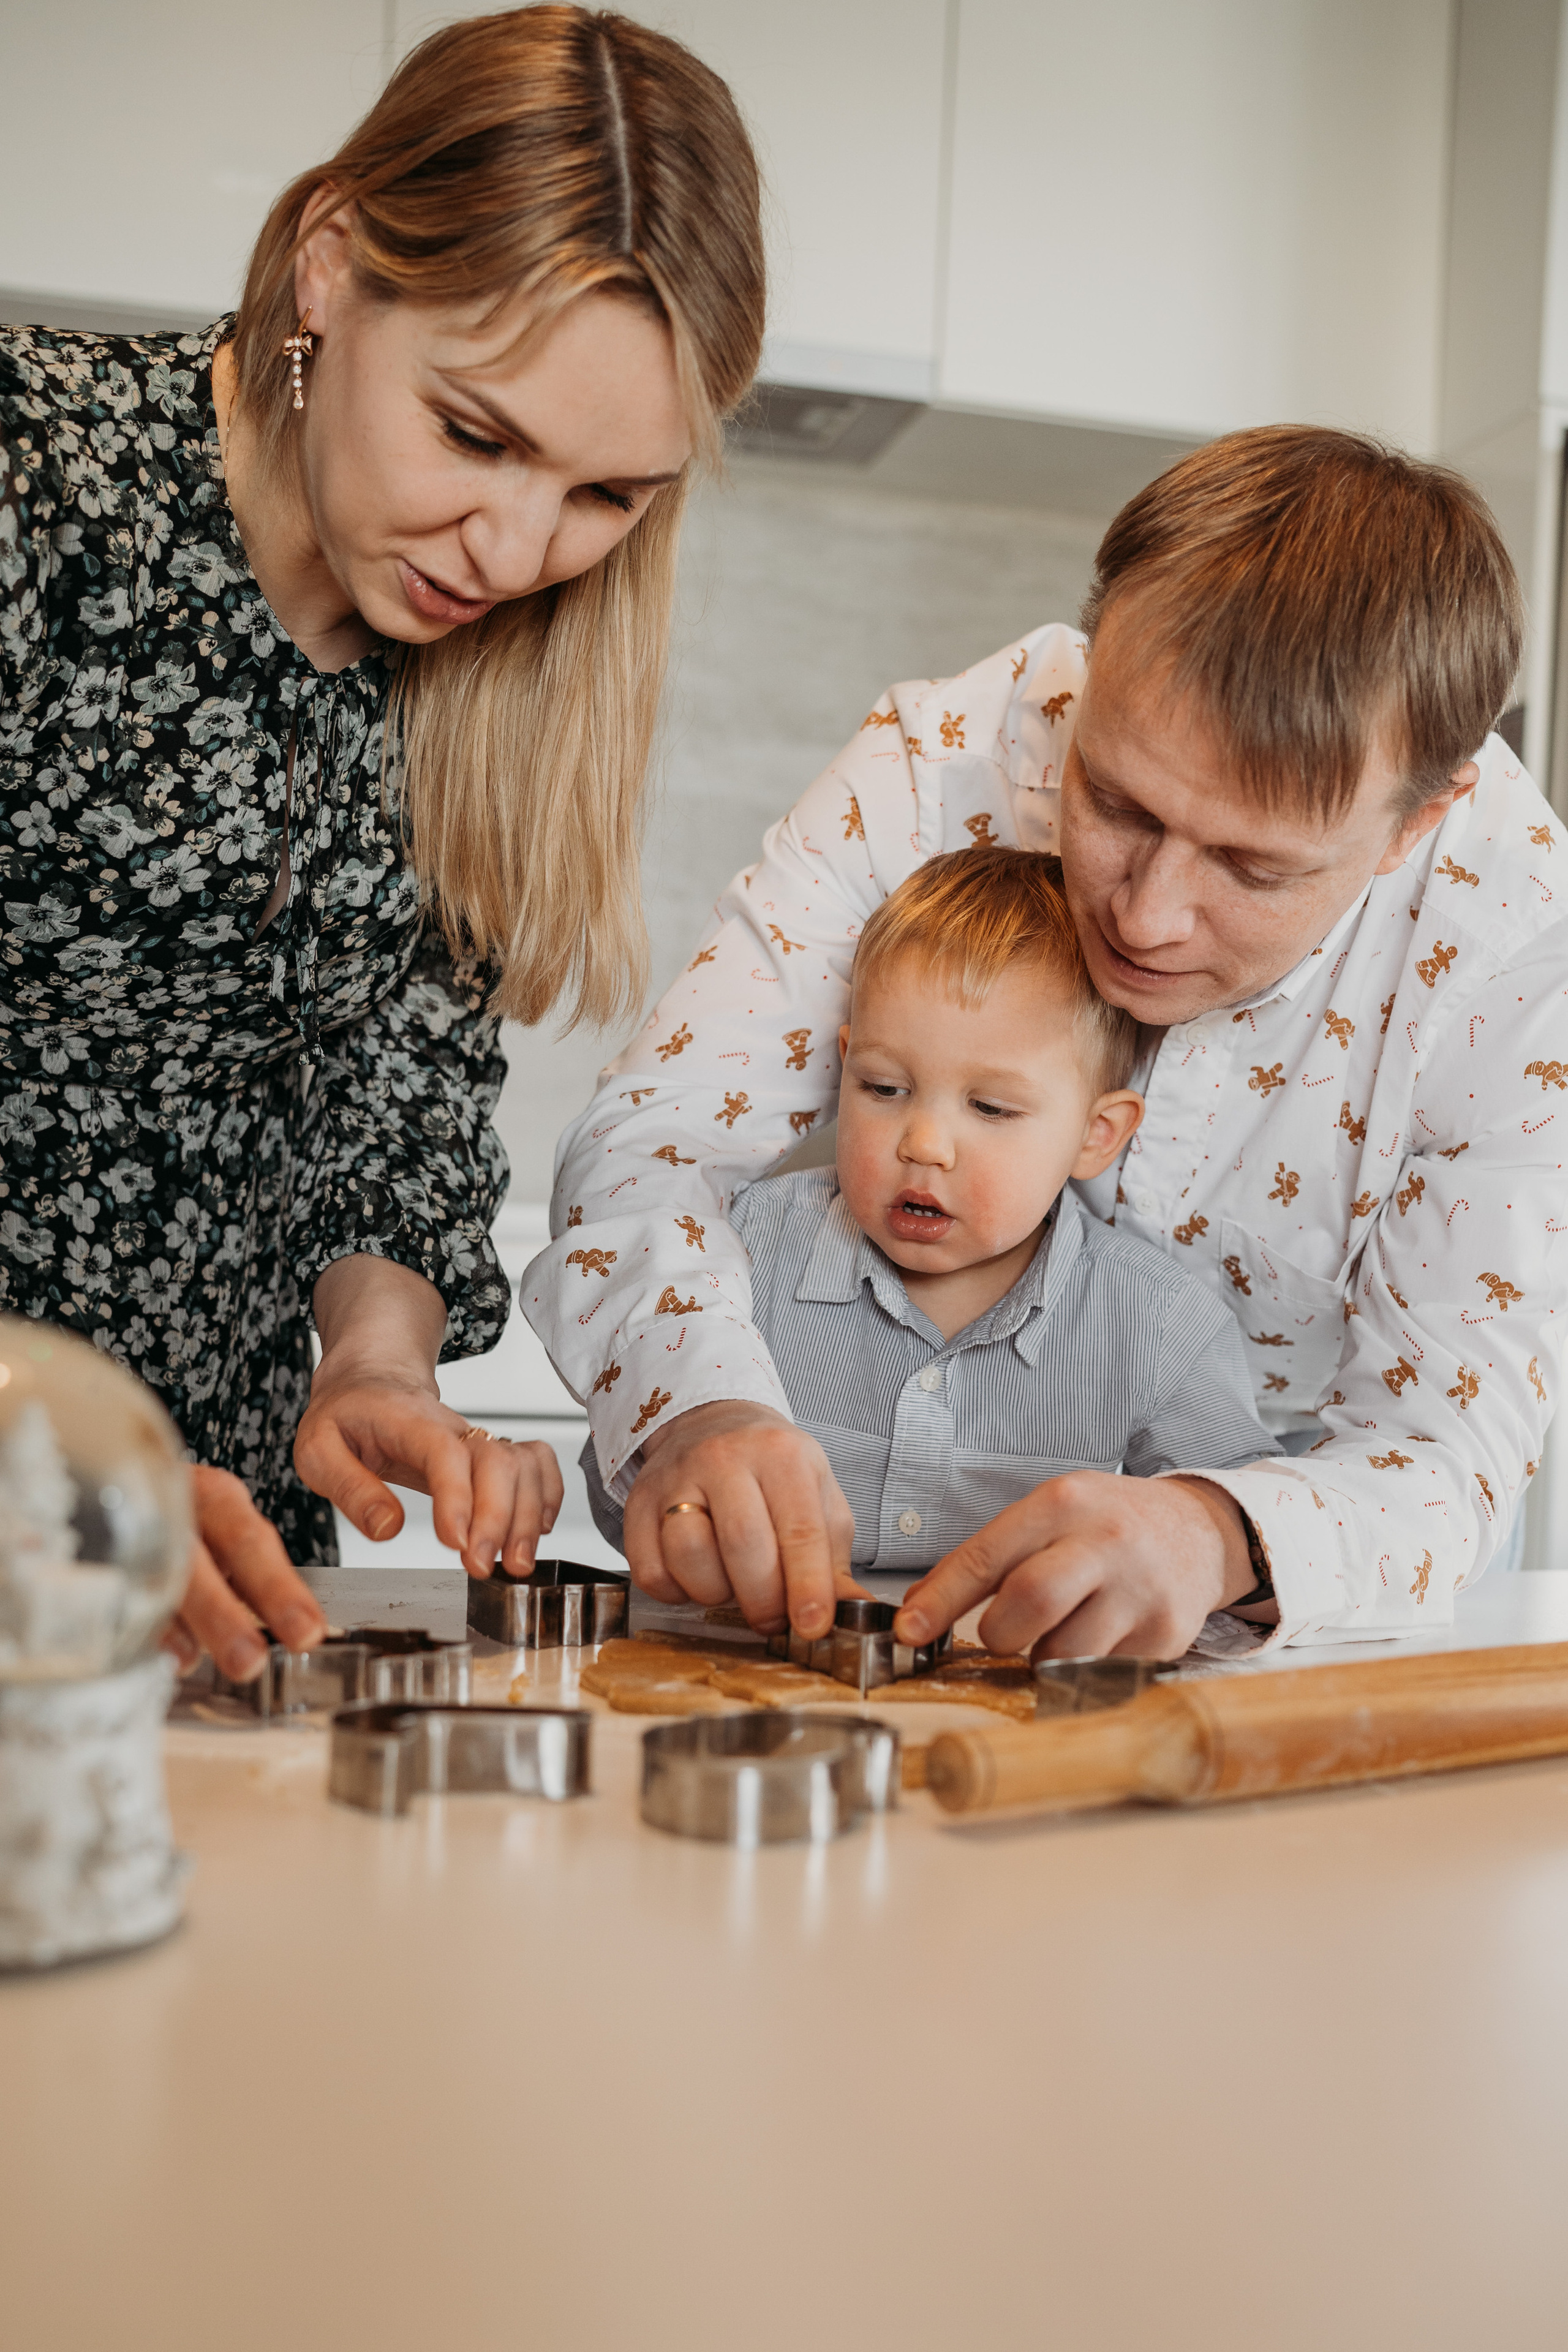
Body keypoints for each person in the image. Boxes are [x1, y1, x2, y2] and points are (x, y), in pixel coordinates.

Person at [527, 424, 1563, 1661]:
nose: (1144, 914)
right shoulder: (934, 763)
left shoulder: (1511, 942)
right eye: (1114, 802)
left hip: (1277, 1633)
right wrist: (700, 1403)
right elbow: (657, 1138)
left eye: (1250, 866)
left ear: (1417, 818)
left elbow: (1448, 1441)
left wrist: (1213, 1528)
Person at [0, 6, 764, 1679]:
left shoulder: (487, 677)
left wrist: (379, 1372)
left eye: (605, 496)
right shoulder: (35, 488)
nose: (511, 546)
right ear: (332, 269)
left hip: (226, 1598)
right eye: (475, 434)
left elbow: (394, 1108)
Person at [583, 847, 1280, 1643]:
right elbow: (626, 1494)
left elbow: (1258, 1548)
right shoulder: (732, 1260)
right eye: (884, 1089)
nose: (924, 1144)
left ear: (1096, 1135)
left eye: (989, 1107)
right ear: (843, 1070)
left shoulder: (1163, 1325)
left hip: (1013, 1725)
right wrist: (682, 1495)